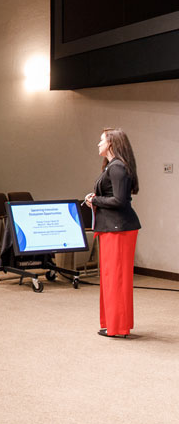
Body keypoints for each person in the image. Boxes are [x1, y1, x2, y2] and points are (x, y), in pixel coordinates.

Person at [84, 127, 141, 338]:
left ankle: (117, 327)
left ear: (111, 144)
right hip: (113, 228)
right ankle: (114, 324)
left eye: (101, 140)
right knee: (111, 278)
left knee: (115, 278)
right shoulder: (112, 166)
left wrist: (95, 200)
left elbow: (120, 200)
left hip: (119, 230)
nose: (98, 144)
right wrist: (96, 198)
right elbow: (113, 196)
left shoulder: (117, 168)